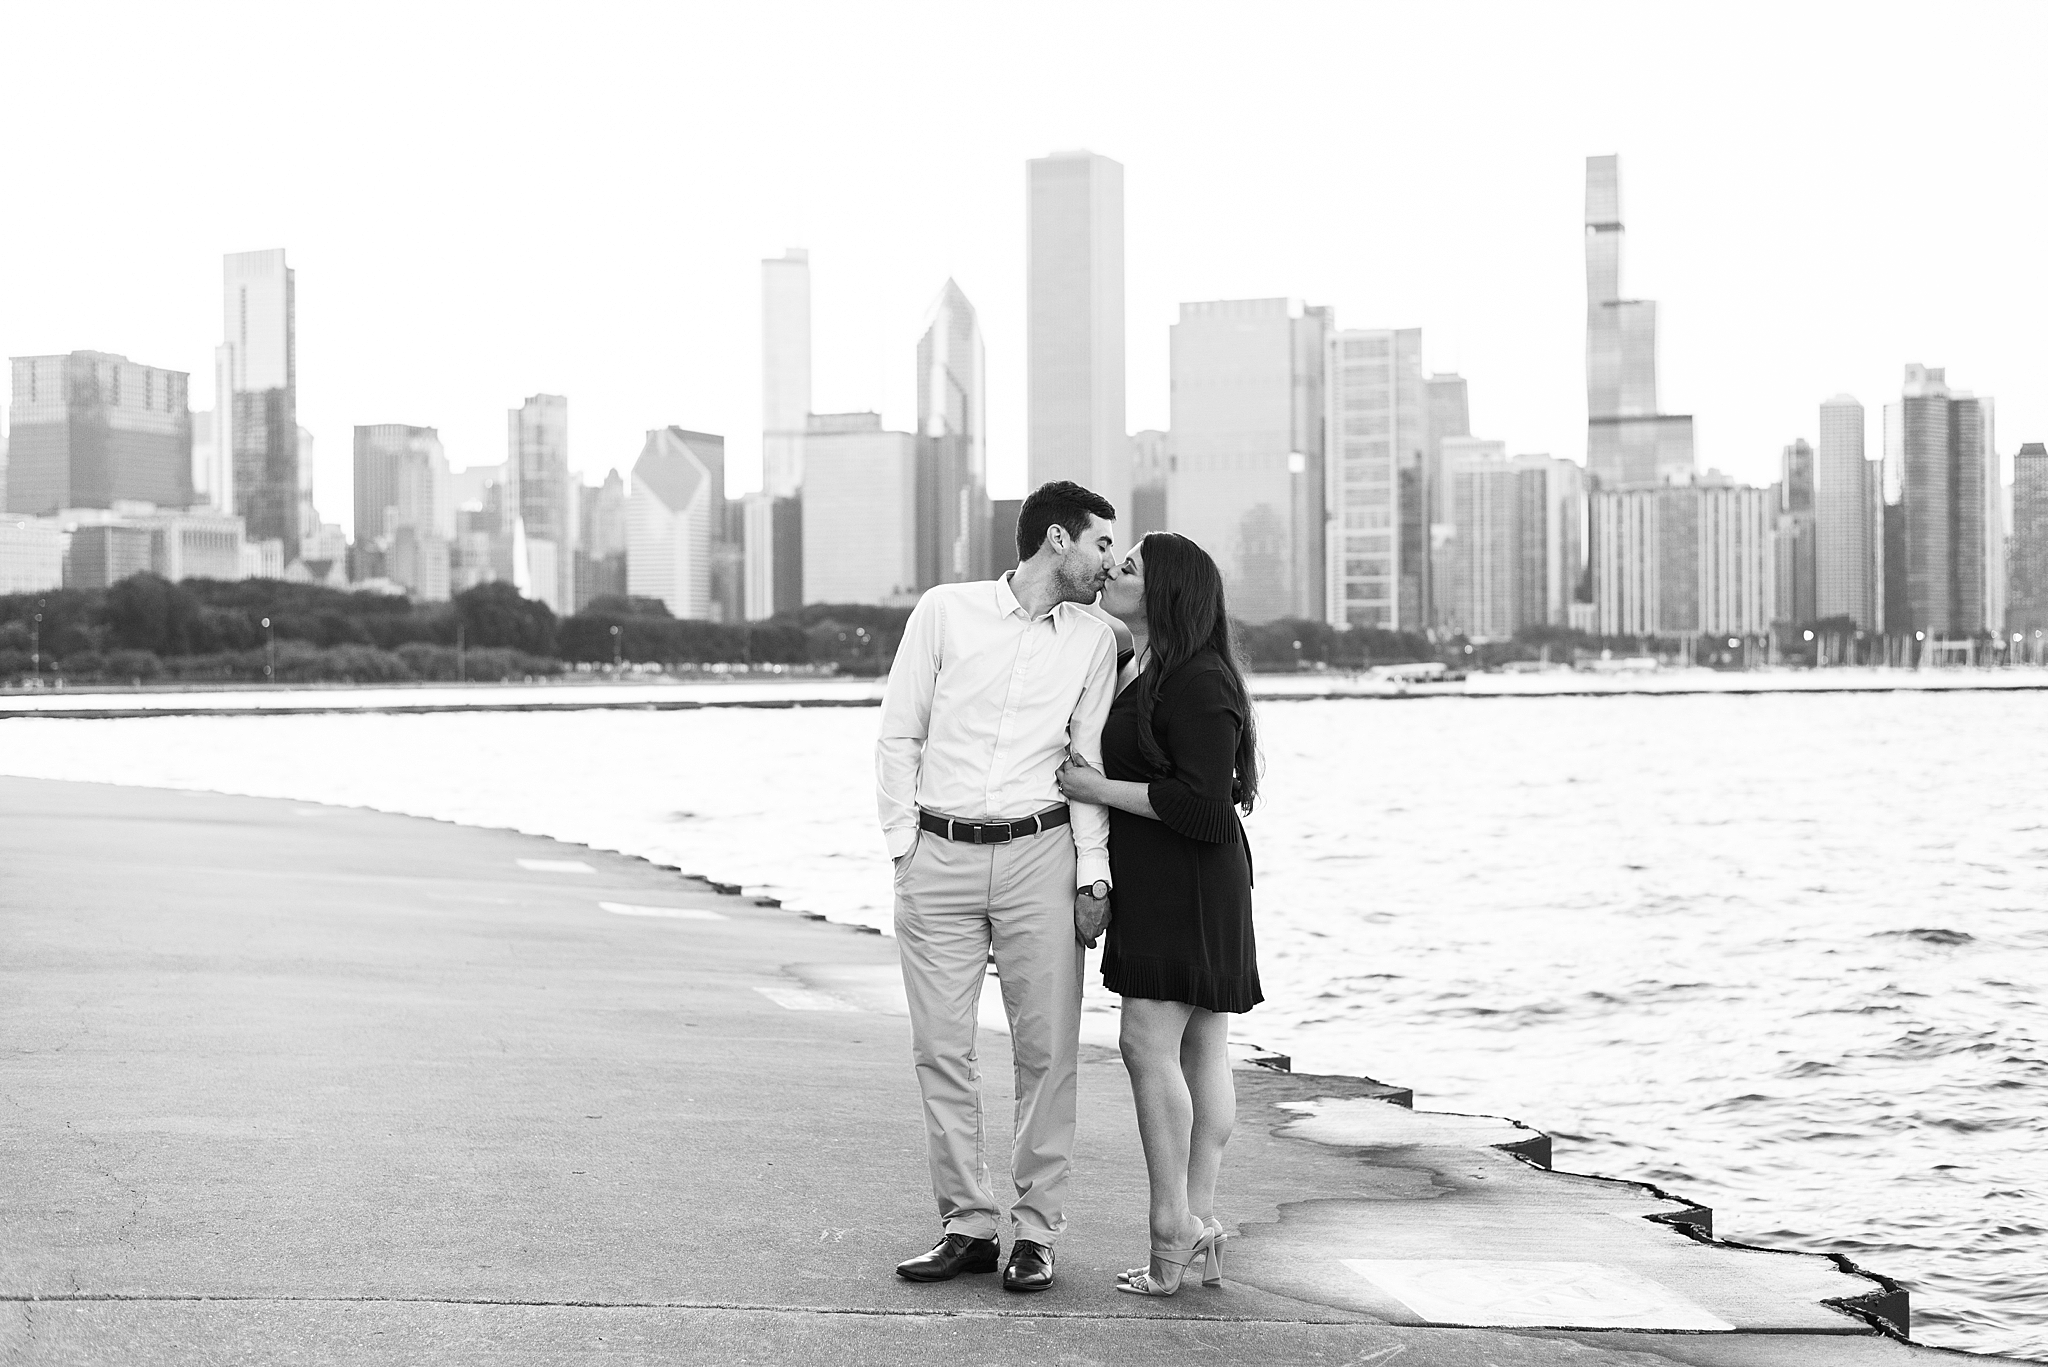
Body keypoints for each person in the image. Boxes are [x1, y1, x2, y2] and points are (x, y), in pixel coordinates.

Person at [876, 480, 1121, 1294]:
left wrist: (1093, 874)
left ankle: (1037, 1231)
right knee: (940, 1049)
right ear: (1057, 539)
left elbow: (1085, 763)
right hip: (937, 856)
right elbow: (899, 731)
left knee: (1046, 1051)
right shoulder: (944, 612)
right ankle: (968, 1225)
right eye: (1100, 545)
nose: (1109, 562)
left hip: (1039, 855)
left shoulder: (1094, 640)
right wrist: (903, 846)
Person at [1056, 532, 1261, 1297]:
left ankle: (1173, 1223)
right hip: (1183, 878)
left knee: (1150, 1043)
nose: (1114, 567)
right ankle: (1194, 1224)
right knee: (1201, 1047)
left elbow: (1205, 807)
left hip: (1188, 877)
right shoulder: (1151, 663)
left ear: (1168, 590)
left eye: (1131, 564)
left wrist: (1096, 789)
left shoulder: (1199, 680)